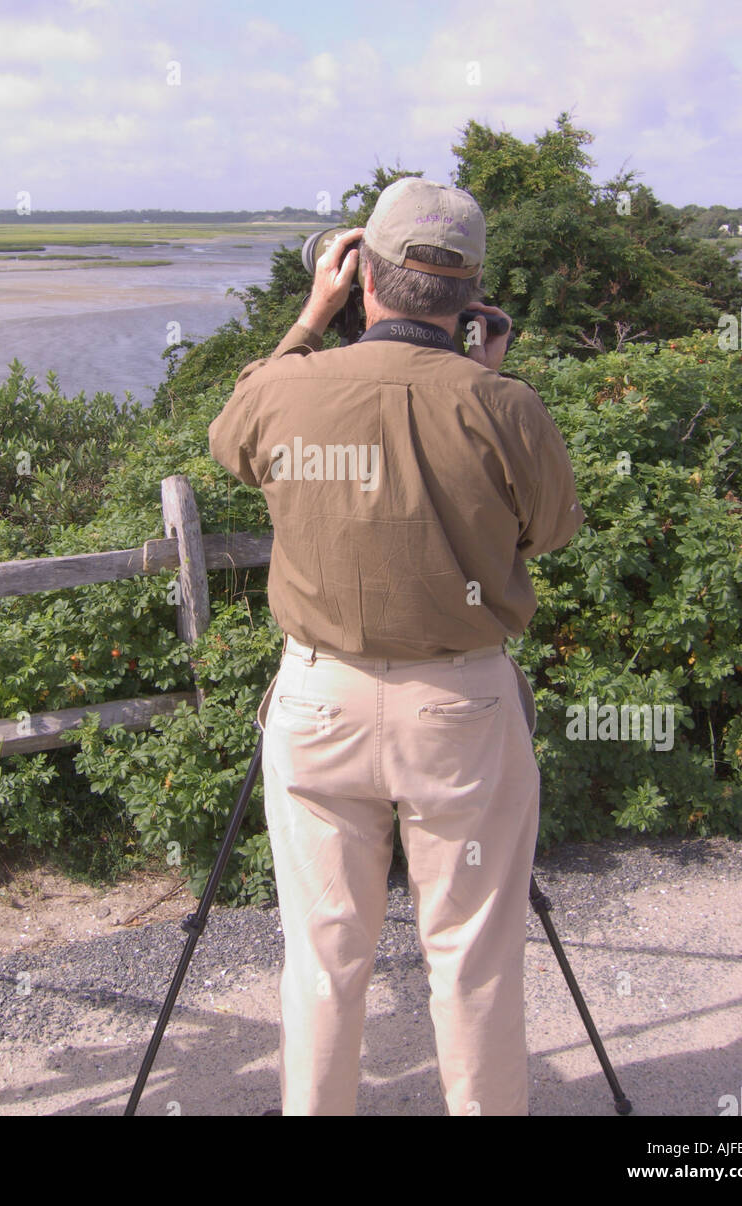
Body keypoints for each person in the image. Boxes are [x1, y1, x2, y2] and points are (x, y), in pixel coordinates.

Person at [208, 177, 585, 1116]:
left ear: (363, 276)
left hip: (320, 699)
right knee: (472, 952)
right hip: (461, 707)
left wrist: (309, 316)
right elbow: (549, 531)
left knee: (326, 954)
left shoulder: (290, 388)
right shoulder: (506, 405)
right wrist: (486, 376)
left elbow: (230, 441)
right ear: (470, 296)